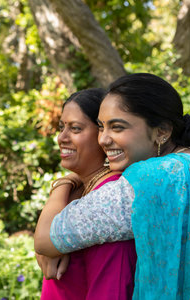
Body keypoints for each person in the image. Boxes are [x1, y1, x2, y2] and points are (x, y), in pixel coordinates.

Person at [34, 73, 190, 299]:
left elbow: (45, 239)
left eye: (117, 127)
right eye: (101, 127)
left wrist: (63, 184)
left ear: (162, 131)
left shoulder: (155, 180)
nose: (102, 139)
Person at [37, 88, 137, 299]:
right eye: (61, 127)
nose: (61, 138)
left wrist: (63, 184)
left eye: (75, 128)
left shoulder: (111, 198)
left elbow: (112, 289)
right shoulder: (78, 189)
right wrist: (65, 183)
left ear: (102, 134)